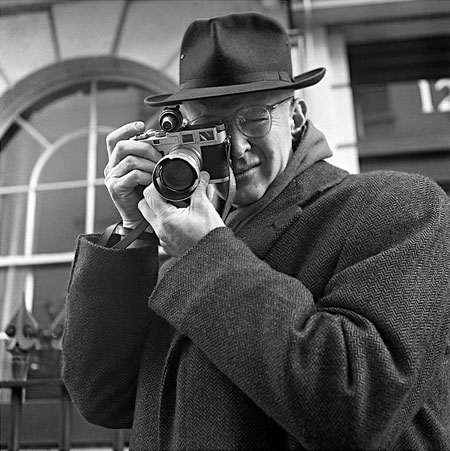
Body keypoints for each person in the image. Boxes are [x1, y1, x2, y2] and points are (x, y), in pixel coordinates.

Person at [62, 12, 450, 450]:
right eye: (211, 126)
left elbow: (357, 406)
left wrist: (205, 251)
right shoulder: (186, 249)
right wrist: (135, 232)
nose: (237, 146)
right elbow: (102, 399)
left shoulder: (399, 207)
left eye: (255, 118)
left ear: (298, 116)